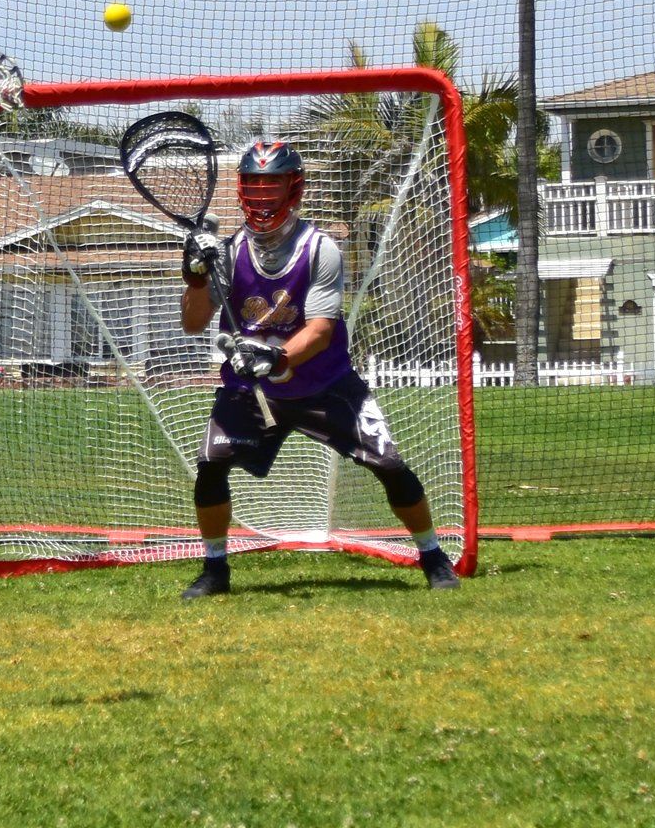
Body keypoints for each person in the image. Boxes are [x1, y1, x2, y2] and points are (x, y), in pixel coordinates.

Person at [178, 138, 459, 599]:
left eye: (272, 185)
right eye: (254, 185)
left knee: (389, 464)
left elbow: (322, 330)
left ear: (295, 188)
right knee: (211, 465)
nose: (262, 195)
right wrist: (194, 275)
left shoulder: (319, 249)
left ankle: (432, 555)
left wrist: (276, 357)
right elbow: (192, 322)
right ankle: (214, 569)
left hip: (324, 384)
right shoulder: (226, 252)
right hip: (253, 392)